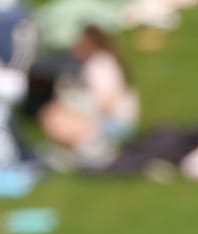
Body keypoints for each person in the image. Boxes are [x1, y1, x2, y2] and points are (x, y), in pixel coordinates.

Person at [37, 23, 138, 168]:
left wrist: (75, 102)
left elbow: (107, 103)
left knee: (54, 117)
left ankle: (94, 146)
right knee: (53, 112)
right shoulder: (96, 62)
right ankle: (88, 145)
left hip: (114, 123)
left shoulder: (101, 65)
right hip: (106, 119)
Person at [0, 0, 35, 168]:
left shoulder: (7, 16)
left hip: (8, 78)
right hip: (16, 77)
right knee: (7, 121)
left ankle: (7, 160)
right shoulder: (21, 12)